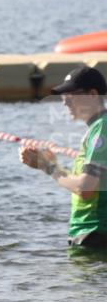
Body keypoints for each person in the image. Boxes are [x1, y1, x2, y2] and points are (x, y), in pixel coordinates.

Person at [20, 66, 106, 250]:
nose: (65, 102)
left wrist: (49, 167)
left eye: (71, 95)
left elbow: (85, 189)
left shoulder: (102, 128)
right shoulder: (98, 128)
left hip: (95, 235)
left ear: (92, 95)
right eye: (63, 96)